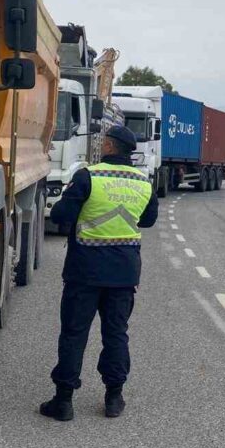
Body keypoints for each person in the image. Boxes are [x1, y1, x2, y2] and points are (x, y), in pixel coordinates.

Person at [39, 126, 158, 421]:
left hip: (85, 272)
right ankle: (114, 397)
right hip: (124, 273)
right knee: (116, 333)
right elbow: (149, 220)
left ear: (108, 145)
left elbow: (60, 215)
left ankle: (63, 401)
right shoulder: (144, 181)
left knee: (74, 334)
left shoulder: (88, 176)